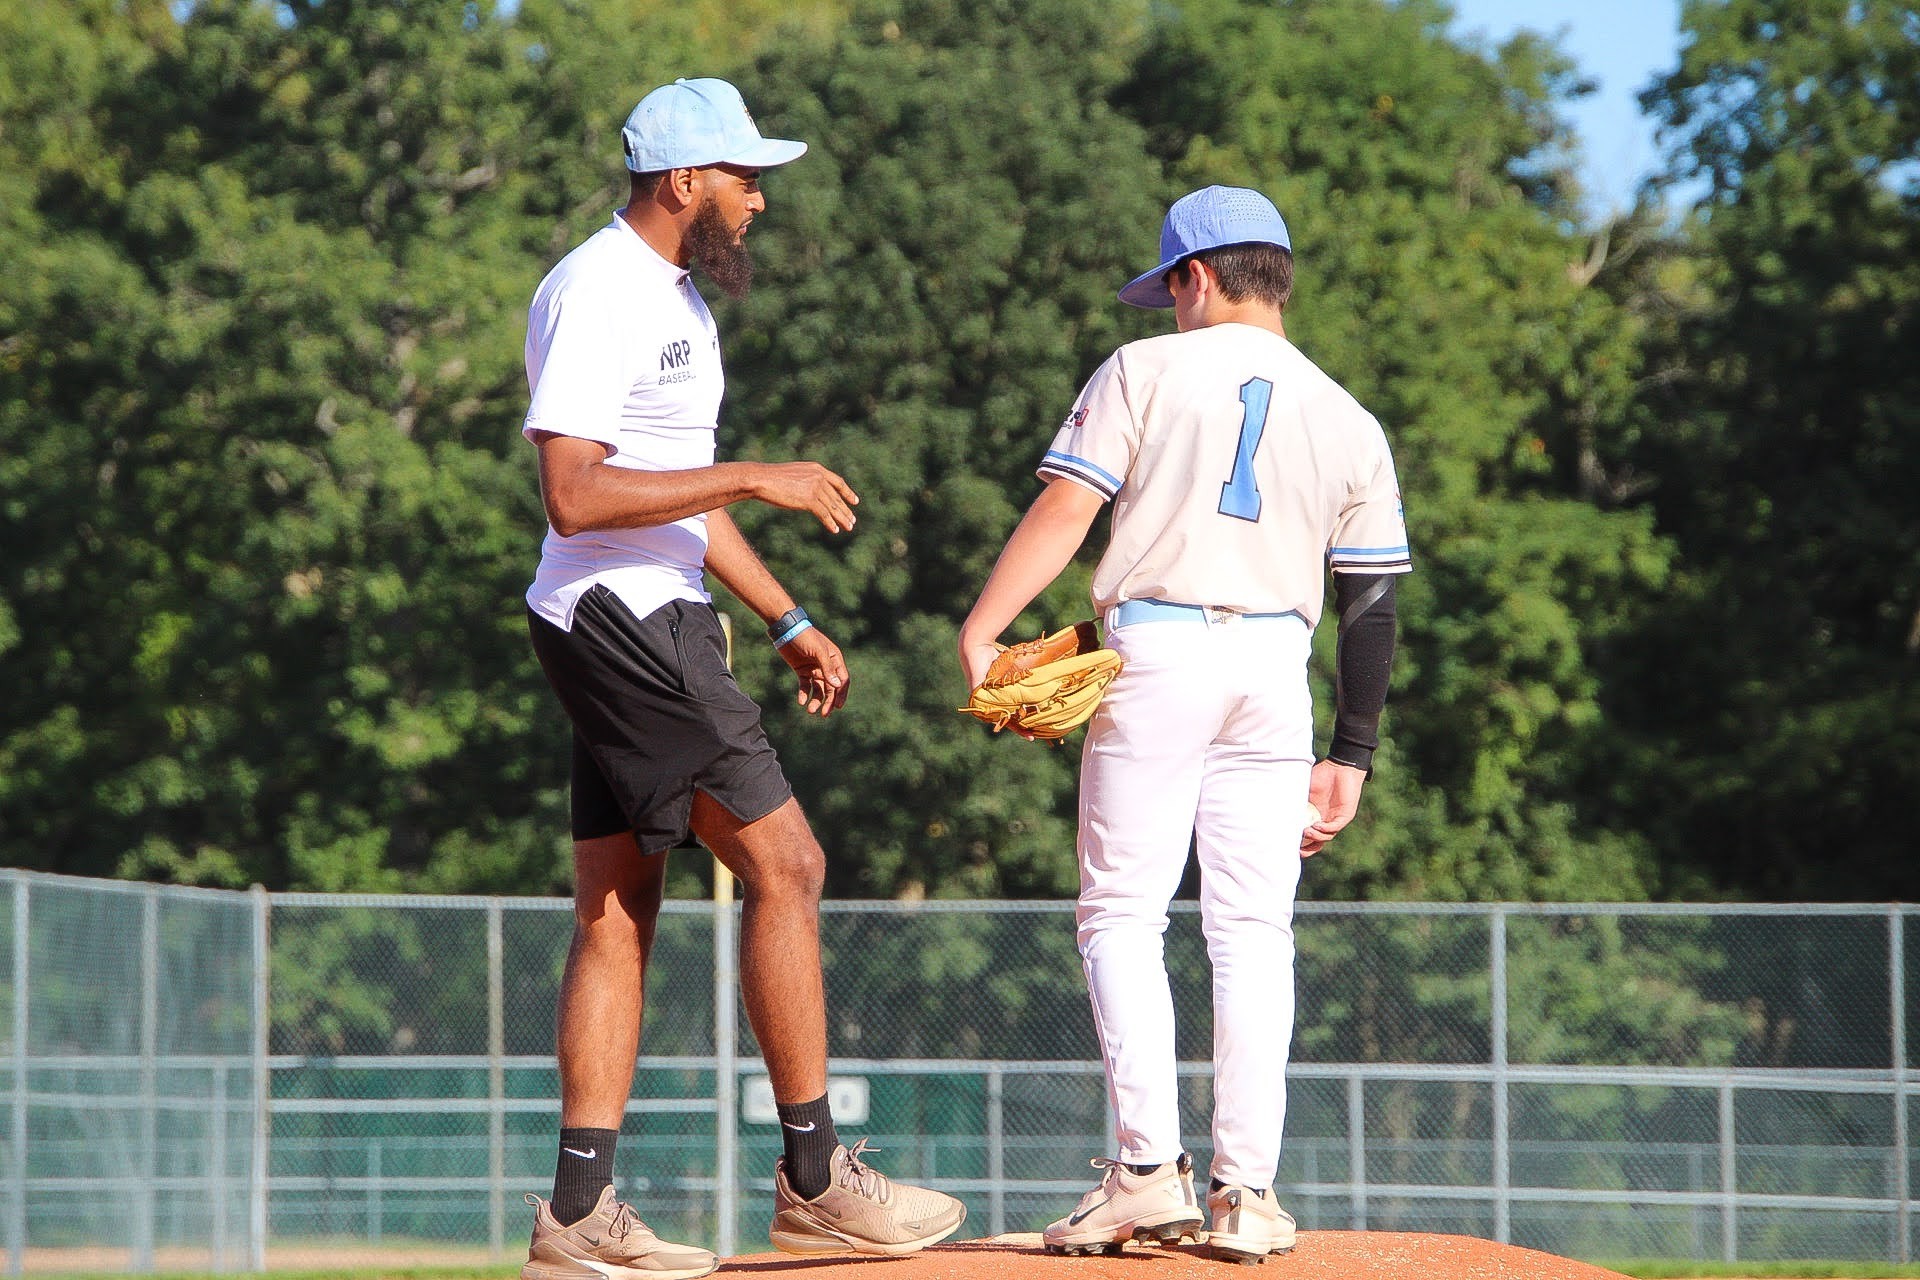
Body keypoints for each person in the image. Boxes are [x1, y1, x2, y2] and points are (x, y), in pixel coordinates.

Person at [518, 78, 966, 1280]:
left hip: (626, 614)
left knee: (618, 905)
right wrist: (757, 474)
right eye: (744, 176)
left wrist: (786, 614)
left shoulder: (674, 299)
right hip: (624, 616)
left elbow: (673, 487)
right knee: (790, 862)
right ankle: (816, 1177)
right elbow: (575, 493)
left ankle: (577, 1212)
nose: (758, 198)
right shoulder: (600, 289)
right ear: (683, 181)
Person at [957, 186, 1411, 1263]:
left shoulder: (1143, 369)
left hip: (1158, 651)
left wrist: (983, 628)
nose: (1168, 306)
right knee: (1252, 932)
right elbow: (1373, 602)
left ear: (1196, 276)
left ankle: (1143, 1174)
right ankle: (1246, 1193)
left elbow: (1069, 508)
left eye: (1170, 287)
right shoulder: (1349, 417)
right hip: (1276, 669)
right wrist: (1352, 750)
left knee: (1123, 913)